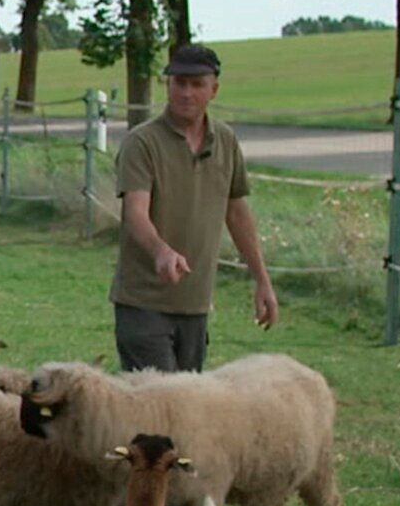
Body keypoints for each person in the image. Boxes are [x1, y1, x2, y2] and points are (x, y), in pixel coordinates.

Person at [109, 41, 276, 374]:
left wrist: (261, 279)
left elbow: (237, 213)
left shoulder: (225, 141)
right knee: (160, 410)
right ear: (167, 85)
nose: (186, 93)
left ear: (213, 89)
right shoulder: (142, 142)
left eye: (197, 84)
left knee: (188, 411)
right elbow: (135, 213)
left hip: (196, 303)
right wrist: (161, 252)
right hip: (143, 303)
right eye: (179, 83)